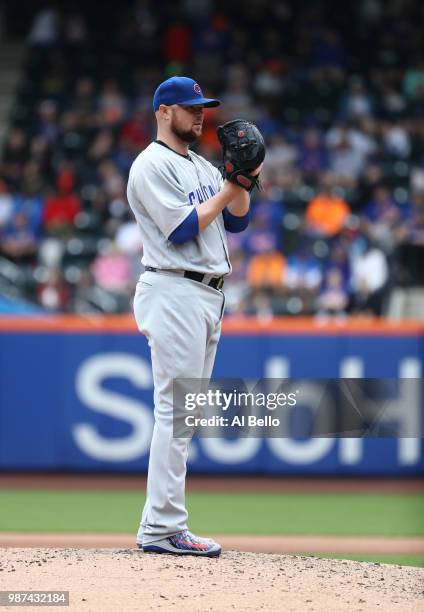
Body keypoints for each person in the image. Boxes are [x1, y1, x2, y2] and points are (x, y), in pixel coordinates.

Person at [127, 76, 261, 557]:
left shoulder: (201, 164)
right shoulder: (150, 165)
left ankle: (160, 525)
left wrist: (243, 179)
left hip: (206, 294)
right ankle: (163, 528)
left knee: (184, 414)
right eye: (190, 107)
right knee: (175, 411)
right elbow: (184, 229)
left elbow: (238, 219)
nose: (200, 114)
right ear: (164, 111)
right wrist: (229, 187)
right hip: (173, 287)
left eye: (203, 106)